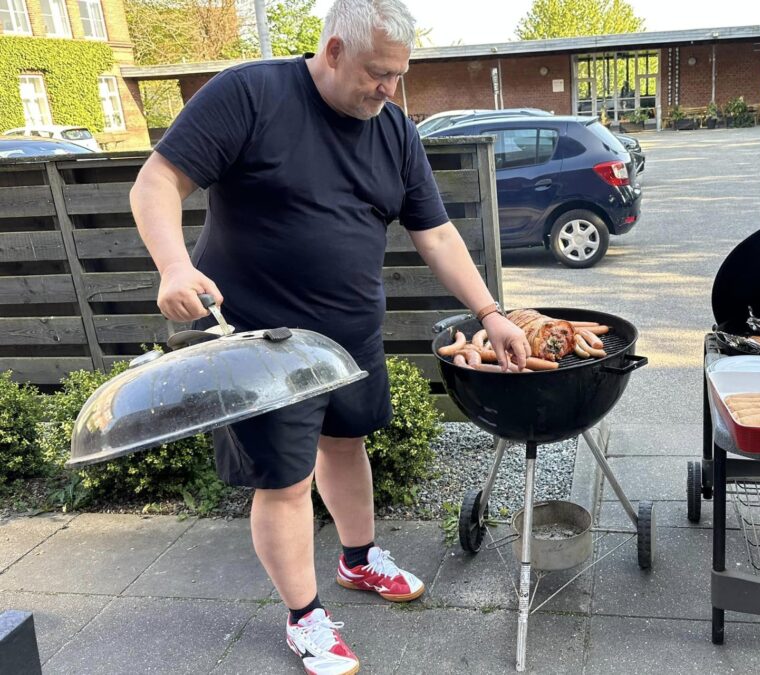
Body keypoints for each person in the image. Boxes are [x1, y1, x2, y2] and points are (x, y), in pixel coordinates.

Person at [129, 1, 529, 673]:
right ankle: (304, 617)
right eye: (378, 73)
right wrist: (173, 263)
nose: (389, 89)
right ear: (335, 50)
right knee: (285, 481)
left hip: (350, 337)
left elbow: (433, 231)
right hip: (261, 343)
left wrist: (491, 311)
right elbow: (157, 180)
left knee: (347, 444)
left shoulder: (394, 129)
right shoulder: (251, 95)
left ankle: (358, 558)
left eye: (399, 75)